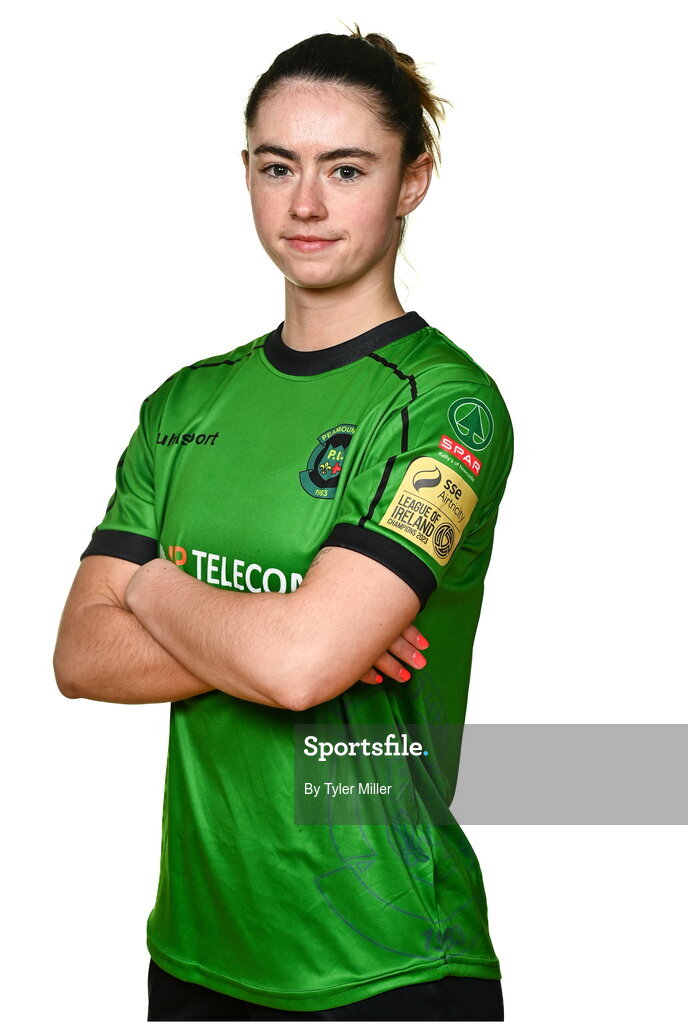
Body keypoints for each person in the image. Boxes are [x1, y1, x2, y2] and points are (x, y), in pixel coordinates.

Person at [53, 25, 513, 1023]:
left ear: (411, 180)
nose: (305, 204)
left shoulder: (444, 407)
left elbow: (299, 667)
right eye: (277, 166)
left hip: (384, 959)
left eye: (346, 168)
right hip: (194, 952)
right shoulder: (185, 405)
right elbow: (80, 657)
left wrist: (150, 583)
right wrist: (297, 625)